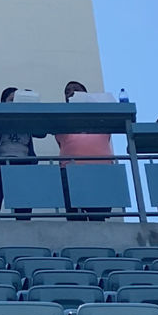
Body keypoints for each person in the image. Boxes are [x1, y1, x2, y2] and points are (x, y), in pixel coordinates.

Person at [57, 80, 116, 220]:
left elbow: (125, 120)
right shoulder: (61, 117)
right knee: (75, 217)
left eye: (75, 89)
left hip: (100, 170)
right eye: (67, 91)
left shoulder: (101, 116)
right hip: (71, 170)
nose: (71, 92)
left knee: (98, 217)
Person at [0, 86, 42, 217]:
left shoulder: (26, 120)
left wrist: (32, 109)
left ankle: (24, 224)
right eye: (11, 100)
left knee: (23, 203)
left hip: (23, 162)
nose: (15, 103)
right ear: (3, 103)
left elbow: (41, 133)